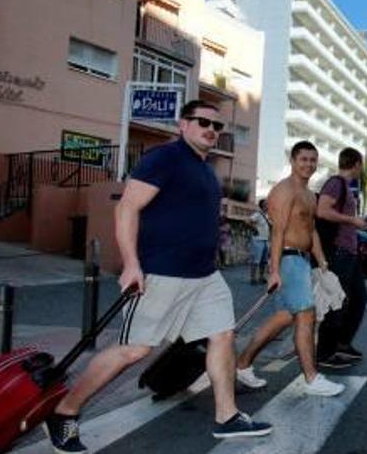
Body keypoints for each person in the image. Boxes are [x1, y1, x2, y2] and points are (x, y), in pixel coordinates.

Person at [44, 101, 272, 453]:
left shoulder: (204, 168)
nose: (211, 129)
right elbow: (127, 208)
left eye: (217, 125)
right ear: (183, 124)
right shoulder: (165, 158)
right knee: (133, 350)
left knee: (223, 335)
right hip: (162, 273)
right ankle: (64, 412)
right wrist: (132, 264)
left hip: (205, 277)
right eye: (202, 122)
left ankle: (227, 417)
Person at [234, 141, 345, 397]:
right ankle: (311, 377)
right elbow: (278, 232)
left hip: (302, 260)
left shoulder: (307, 194)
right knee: (306, 315)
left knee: (284, 317)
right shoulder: (285, 190)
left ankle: (242, 365)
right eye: (303, 159)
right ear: (293, 161)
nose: (308, 164)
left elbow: (311, 230)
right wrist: (274, 270)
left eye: (312, 160)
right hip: (288, 259)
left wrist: (321, 261)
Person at [314, 148, 367, 369]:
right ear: (356, 164)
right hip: (339, 251)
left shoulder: (346, 188)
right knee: (335, 302)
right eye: (361, 165)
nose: (361, 169)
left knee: (359, 298)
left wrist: (359, 222)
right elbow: (322, 210)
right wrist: (352, 220)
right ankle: (325, 354)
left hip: (350, 252)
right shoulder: (335, 183)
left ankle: (342, 343)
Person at [249, 199, 270, 284]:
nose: (267, 206)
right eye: (266, 204)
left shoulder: (267, 215)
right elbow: (248, 221)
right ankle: (253, 278)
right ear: (262, 205)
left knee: (264, 261)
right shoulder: (257, 214)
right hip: (258, 240)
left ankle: (261, 277)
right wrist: (254, 229)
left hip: (265, 240)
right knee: (255, 260)